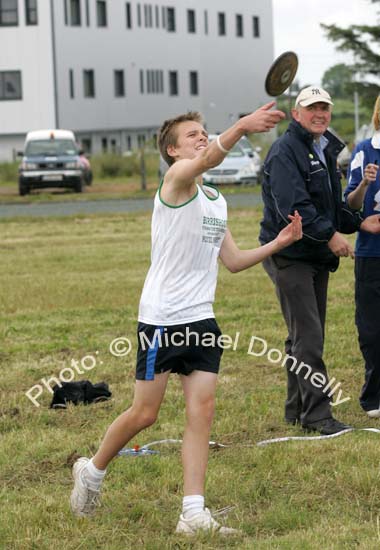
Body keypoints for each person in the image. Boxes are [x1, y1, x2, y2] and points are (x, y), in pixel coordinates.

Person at [70, 102, 303, 535]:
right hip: (161, 319)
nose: (200, 137)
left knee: (203, 411)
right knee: (145, 414)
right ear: (173, 152)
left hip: (202, 319)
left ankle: (192, 513)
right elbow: (211, 156)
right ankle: (92, 470)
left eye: (203, 131)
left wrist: (279, 242)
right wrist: (242, 127)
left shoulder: (216, 199)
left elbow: (231, 261)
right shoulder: (175, 183)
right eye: (191, 135)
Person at [259, 86, 380, 435]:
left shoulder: (322, 148)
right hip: (288, 253)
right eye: (312, 108)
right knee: (309, 336)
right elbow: (294, 207)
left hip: (313, 255)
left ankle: (296, 409)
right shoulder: (285, 152)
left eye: (324, 108)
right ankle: (317, 415)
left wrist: (359, 223)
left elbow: (331, 205)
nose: (320, 114)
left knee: (301, 335)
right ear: (296, 113)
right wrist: (330, 236)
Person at [345, 95, 380, 418]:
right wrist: (365, 185)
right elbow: (351, 205)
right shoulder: (365, 150)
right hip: (372, 254)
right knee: (371, 328)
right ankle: (374, 395)